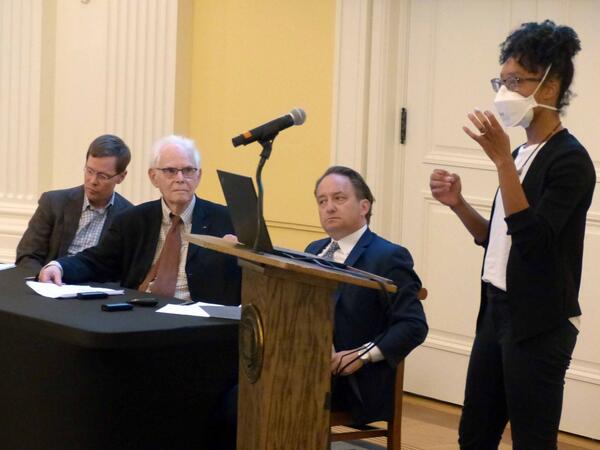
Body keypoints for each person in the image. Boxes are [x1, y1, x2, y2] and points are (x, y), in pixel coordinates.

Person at [429, 20, 595, 449]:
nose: (504, 92)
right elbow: (498, 241)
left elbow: (535, 244)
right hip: (495, 311)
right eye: (501, 81)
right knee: (475, 435)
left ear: (550, 87)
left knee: (532, 440)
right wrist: (459, 204)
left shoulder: (570, 162)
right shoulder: (520, 153)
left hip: (539, 323)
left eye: (516, 81)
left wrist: (502, 161)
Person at [38, 135, 241, 305]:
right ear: (153, 177)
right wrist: (59, 267)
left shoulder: (226, 220)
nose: (180, 178)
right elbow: (97, 261)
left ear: (198, 176)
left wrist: (240, 255)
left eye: (188, 170)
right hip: (141, 314)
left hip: (197, 321)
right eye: (170, 171)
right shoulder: (133, 220)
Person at [305, 165, 428, 424]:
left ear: (364, 206)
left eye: (339, 198)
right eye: (322, 201)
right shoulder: (313, 250)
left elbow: (413, 325)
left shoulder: (388, 256)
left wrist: (362, 354)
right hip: (304, 363)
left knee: (252, 399)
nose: (329, 207)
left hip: (348, 378)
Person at [15, 134, 132, 272]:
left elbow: (124, 272)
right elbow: (27, 255)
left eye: (102, 176)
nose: (92, 180)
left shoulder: (128, 216)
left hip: (96, 289)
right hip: (49, 284)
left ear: (121, 177)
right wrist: (43, 280)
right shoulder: (54, 203)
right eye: (89, 171)